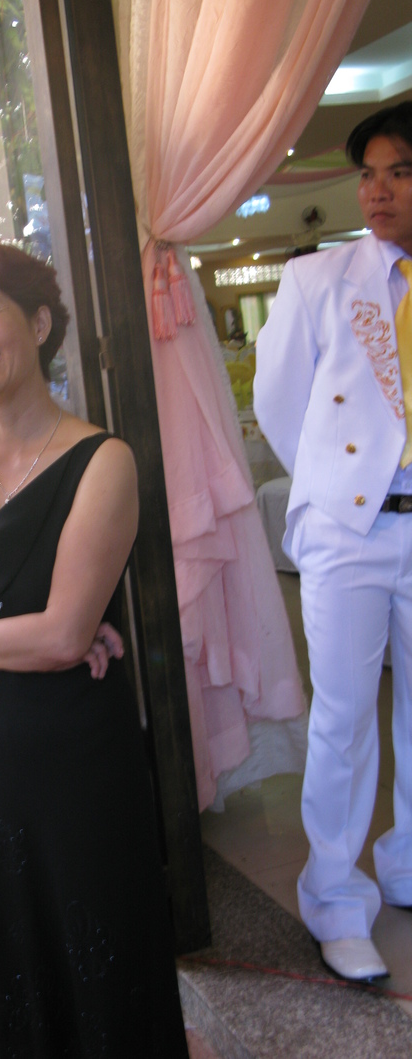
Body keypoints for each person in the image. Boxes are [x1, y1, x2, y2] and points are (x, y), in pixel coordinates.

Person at [0, 238, 188, 1056]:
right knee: (16, 978)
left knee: (104, 975)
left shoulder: (103, 459)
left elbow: (56, 635)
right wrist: (29, 633)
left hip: (78, 764)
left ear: (41, 322)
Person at [254, 101, 412, 983]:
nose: (378, 190)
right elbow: (281, 403)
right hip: (350, 524)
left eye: (401, 172)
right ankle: (337, 898)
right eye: (369, 174)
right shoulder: (319, 278)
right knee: (345, 717)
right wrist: (339, 487)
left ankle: (409, 862)